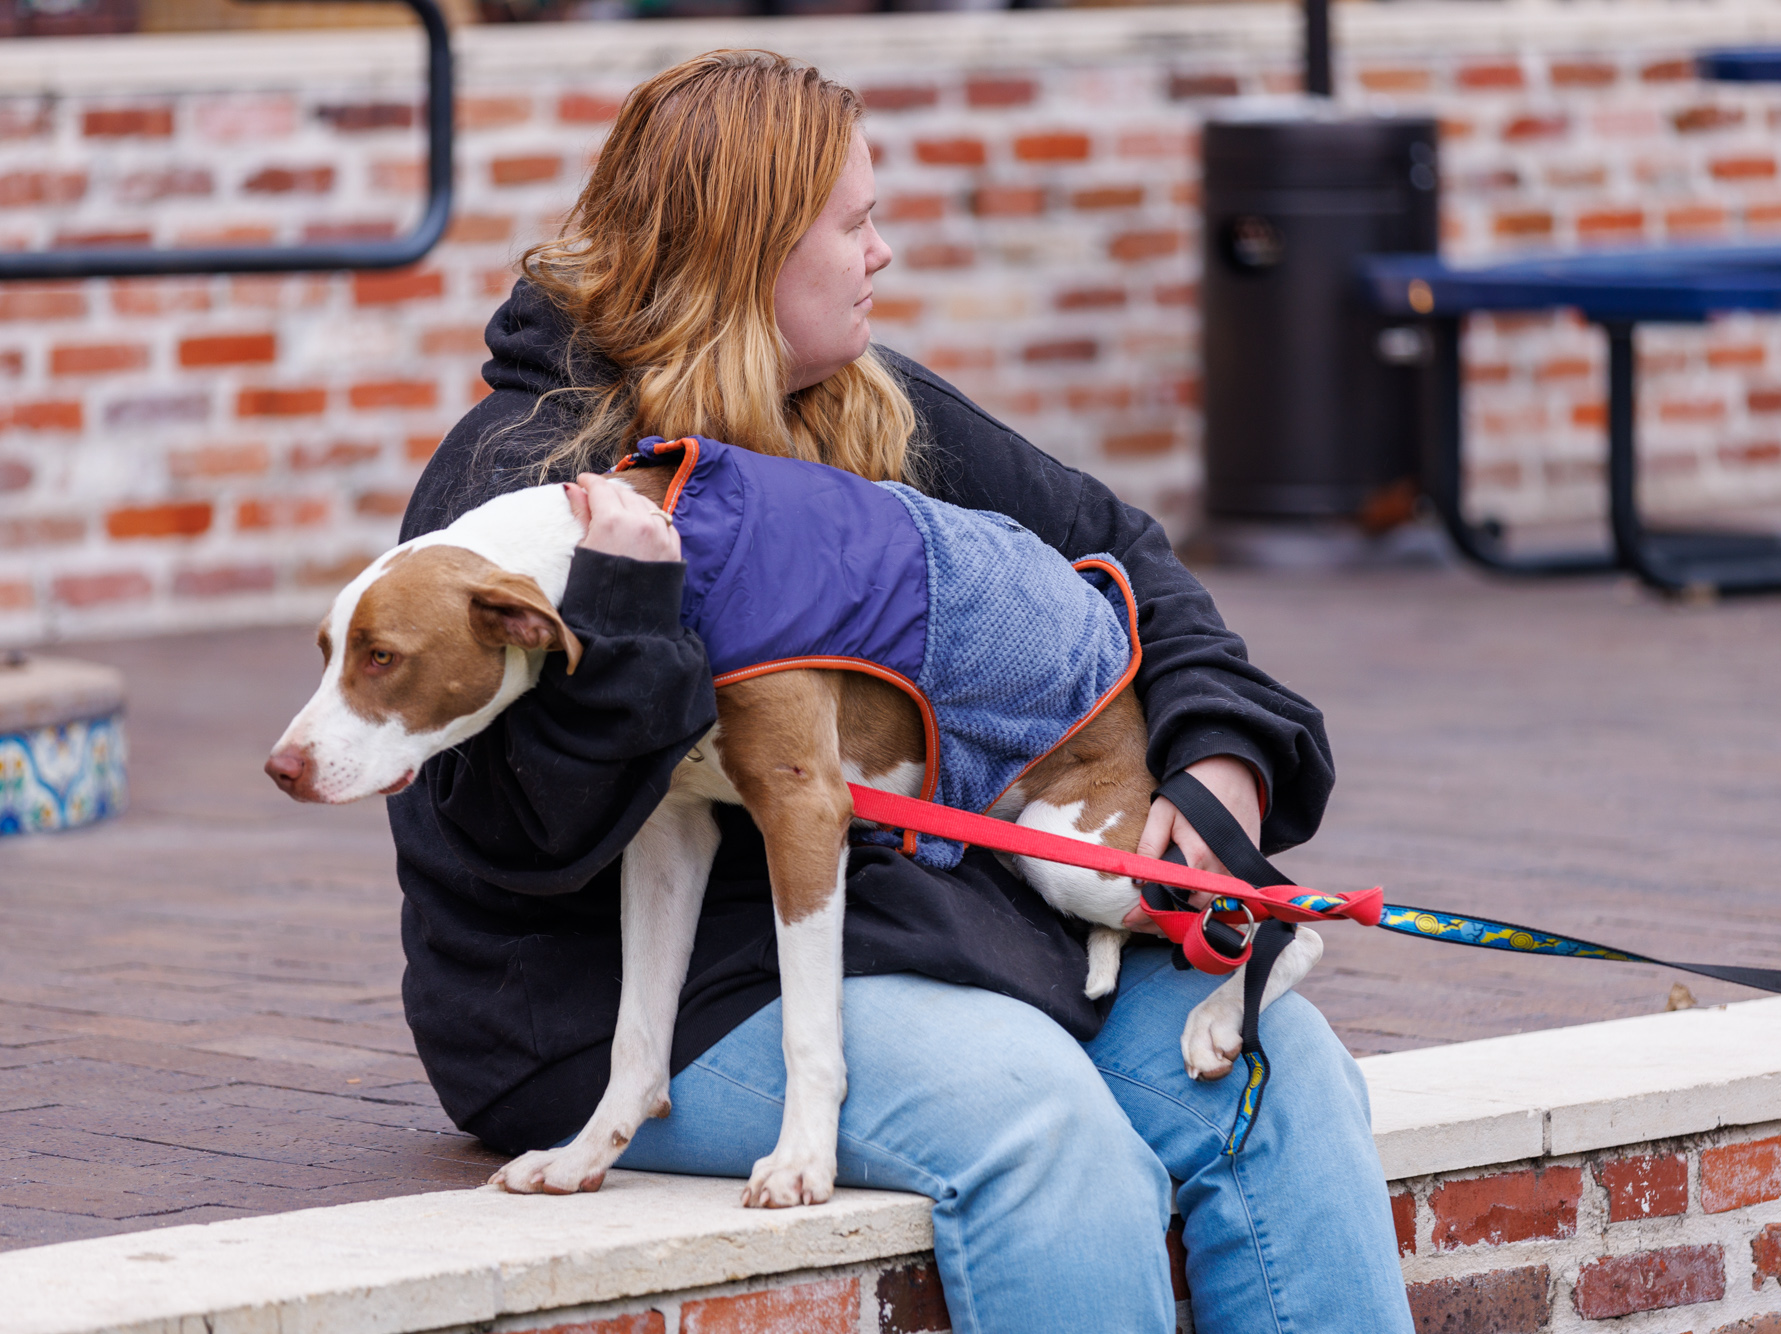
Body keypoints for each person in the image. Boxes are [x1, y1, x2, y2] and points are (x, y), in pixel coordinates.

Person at [393, 48, 1413, 1334]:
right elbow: (504, 835)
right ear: (753, 252)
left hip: (937, 925)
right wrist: (627, 613)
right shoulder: (527, 477)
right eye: (856, 224)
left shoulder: (870, 404)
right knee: (1039, 1124)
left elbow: (1124, 560)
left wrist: (1221, 765)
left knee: (1287, 1072)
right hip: (627, 1000)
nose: (884, 254)